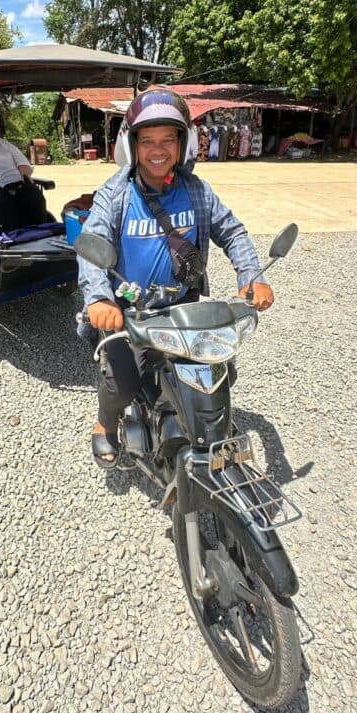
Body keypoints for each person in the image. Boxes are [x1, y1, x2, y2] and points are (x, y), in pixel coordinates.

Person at [77, 89, 274, 467]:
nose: (158, 149)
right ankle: (105, 423)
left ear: (183, 143)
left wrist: (251, 275)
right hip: (131, 312)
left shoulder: (196, 189)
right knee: (122, 383)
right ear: (131, 145)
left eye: (168, 139)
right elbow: (94, 242)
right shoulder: (116, 193)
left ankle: (178, 417)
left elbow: (231, 231)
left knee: (220, 374)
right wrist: (99, 298)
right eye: (147, 140)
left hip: (184, 307)